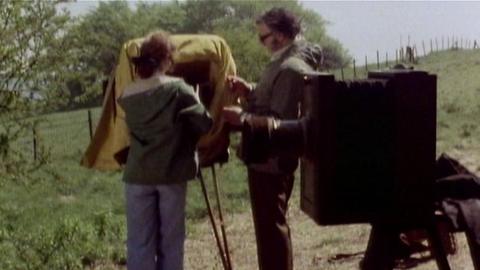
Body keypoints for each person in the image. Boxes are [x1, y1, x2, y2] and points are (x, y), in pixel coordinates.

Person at [222, 8, 323, 270]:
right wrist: (249, 89)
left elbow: (280, 121)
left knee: (271, 230)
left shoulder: (290, 67)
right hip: (265, 157)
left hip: (271, 160)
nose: (261, 42)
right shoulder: (284, 60)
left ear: (279, 35)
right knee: (269, 228)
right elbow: (273, 95)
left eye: (262, 37)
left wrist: (242, 118)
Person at [117, 31, 212, 270]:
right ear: (168, 59)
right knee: (171, 241)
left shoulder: (128, 93)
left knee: (139, 242)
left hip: (137, 174)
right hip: (171, 172)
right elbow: (205, 123)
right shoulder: (178, 89)